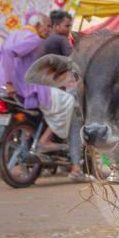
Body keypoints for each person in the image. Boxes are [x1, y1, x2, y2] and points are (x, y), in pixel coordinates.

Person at [34, 11, 84, 179]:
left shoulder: (46, 41)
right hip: (52, 91)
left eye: (70, 26)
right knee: (75, 121)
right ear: (55, 26)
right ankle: (76, 168)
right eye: (66, 26)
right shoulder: (60, 39)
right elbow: (75, 61)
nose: (69, 29)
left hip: (40, 89)